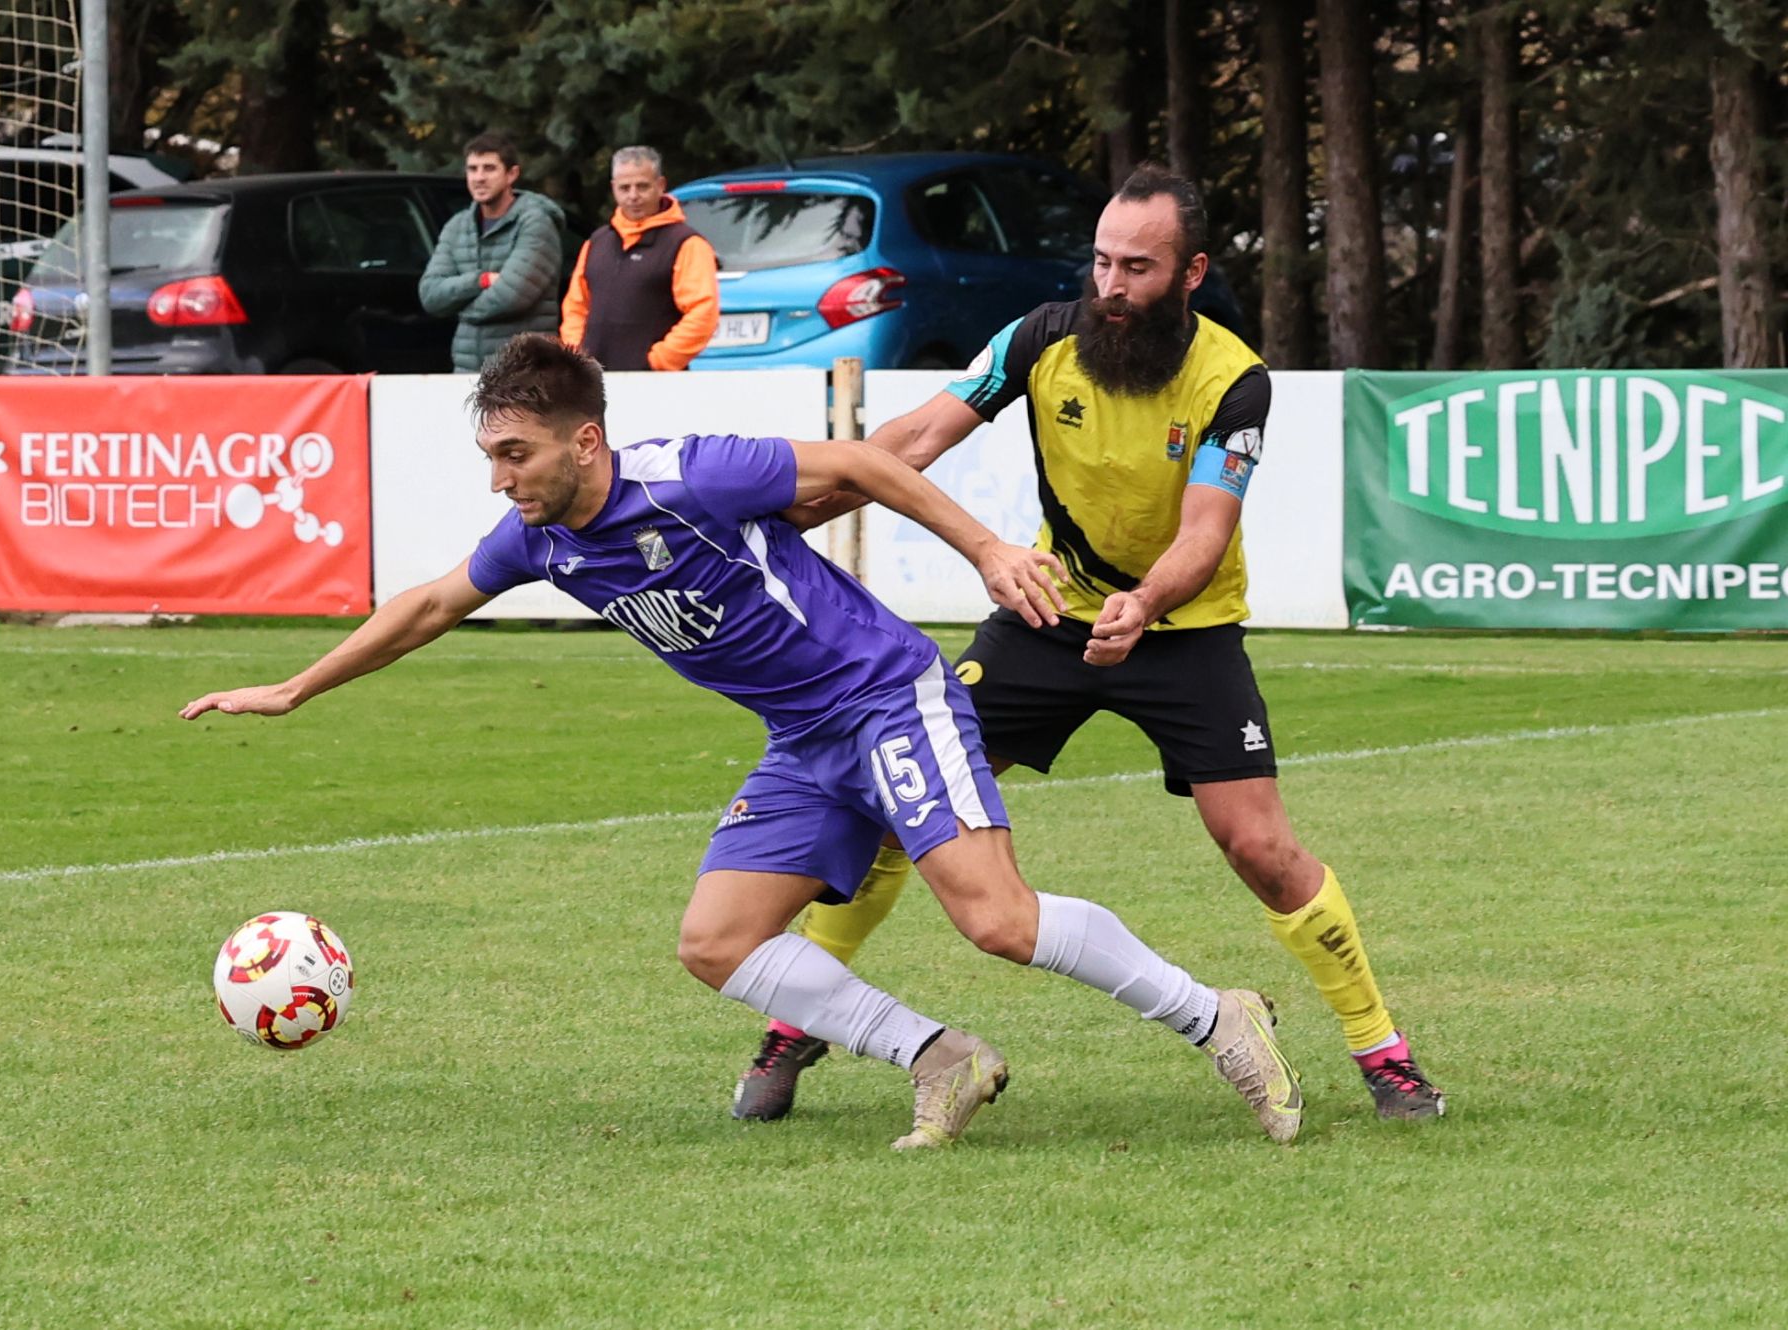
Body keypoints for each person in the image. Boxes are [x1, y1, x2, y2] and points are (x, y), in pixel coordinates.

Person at [180, 333, 1303, 1151]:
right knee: (716, 941)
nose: (499, 479)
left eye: (514, 453)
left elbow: (860, 466)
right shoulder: (541, 539)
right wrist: (294, 688)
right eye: (490, 457)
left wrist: (986, 550)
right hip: (807, 736)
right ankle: (942, 1059)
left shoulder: (690, 476)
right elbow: (425, 605)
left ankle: (1221, 1018)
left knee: (998, 920)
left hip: (885, 694)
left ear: (582, 440)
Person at [732, 162, 1446, 1125]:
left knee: (1262, 848)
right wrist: (791, 510)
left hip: (1183, 632)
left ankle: (1382, 1053)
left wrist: (1146, 602)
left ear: (1190, 274)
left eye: (1137, 269)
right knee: (906, 802)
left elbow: (1204, 530)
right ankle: (795, 1026)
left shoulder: (1233, 379)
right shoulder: (1039, 338)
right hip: (1045, 615)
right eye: (1102, 262)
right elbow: (915, 438)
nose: (1110, 286)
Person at [559, 145, 719, 371]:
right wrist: (576, 353)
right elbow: (576, 307)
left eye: (642, 186)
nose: (633, 196)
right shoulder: (597, 242)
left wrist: (658, 361)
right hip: (592, 383)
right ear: (614, 189)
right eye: (624, 188)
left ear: (660, 186)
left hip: (656, 384)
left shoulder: (687, 244)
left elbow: (703, 313)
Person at [419, 131, 567, 373]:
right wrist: (481, 280)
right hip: (468, 372)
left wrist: (459, 308)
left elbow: (511, 296)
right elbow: (430, 295)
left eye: (489, 168)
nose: (479, 178)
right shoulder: (457, 226)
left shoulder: (536, 223)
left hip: (524, 370)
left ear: (512, 174)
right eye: (472, 169)